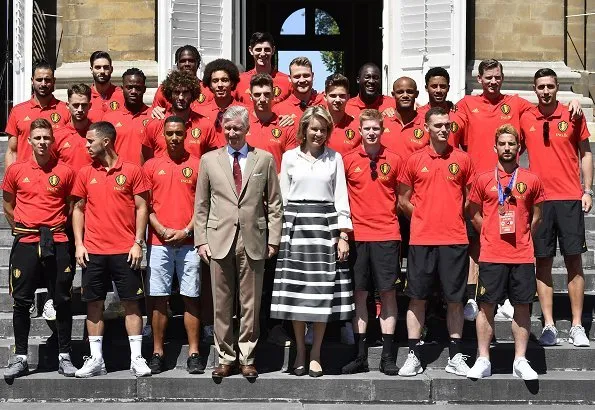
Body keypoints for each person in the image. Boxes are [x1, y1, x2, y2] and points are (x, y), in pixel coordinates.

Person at [195, 105, 282, 381]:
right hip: (218, 239)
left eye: (237, 128)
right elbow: (201, 204)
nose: (232, 133)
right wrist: (201, 241)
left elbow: (275, 204)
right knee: (222, 304)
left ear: (247, 129)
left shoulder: (264, 159)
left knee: (251, 303)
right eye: (228, 128)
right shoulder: (209, 160)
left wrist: (274, 239)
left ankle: (248, 357)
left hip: (253, 240)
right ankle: (225, 357)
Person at [270, 106, 354, 377]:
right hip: (295, 226)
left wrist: (343, 235)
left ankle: (316, 352)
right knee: (297, 292)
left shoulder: (335, 158)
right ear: (304, 130)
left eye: (323, 129)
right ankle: (300, 352)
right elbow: (280, 200)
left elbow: (341, 196)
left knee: (320, 292)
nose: (318, 133)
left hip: (325, 225)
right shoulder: (289, 157)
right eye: (313, 128)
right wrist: (279, 234)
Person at [71, 121, 151, 378]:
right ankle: (96, 360)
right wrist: (79, 244)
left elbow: (142, 208)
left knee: (132, 304)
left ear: (105, 141)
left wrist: (138, 242)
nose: (86, 145)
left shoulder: (132, 170)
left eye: (90, 141)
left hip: (125, 250)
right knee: (93, 304)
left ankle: (136, 358)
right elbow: (78, 209)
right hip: (93, 250)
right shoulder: (85, 172)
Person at [398, 107, 473, 377]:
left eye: (447, 125)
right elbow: (403, 199)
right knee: (417, 298)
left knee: (455, 300)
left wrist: (451, 216)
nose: (443, 129)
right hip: (421, 239)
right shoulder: (414, 160)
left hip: (454, 239)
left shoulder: (463, 160)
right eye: (438, 125)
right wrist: (422, 217)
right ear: (427, 128)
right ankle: (414, 355)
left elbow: (469, 199)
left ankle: (455, 355)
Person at [520, 68, 593, 347]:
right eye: (541, 86)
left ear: (558, 86)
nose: (546, 91)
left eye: (550, 86)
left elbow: (585, 153)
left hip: (570, 198)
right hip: (539, 201)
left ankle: (576, 325)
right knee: (543, 262)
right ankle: (549, 324)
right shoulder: (526, 116)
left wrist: (587, 190)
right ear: (534, 88)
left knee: (574, 261)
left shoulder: (573, 114)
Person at [467, 124, 545, 380]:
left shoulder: (531, 179)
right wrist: (489, 233)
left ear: (519, 148)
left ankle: (520, 360)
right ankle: (483, 359)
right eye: (503, 144)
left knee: (523, 307)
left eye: (512, 144)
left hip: (521, 255)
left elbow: (536, 216)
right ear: (495, 147)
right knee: (485, 306)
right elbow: (475, 213)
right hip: (491, 255)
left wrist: (521, 234)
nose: (507, 148)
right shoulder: (483, 179)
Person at [2, 119, 77, 380]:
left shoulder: (66, 171)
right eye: (38, 138)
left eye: (47, 137)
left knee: (63, 300)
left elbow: (71, 206)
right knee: (21, 302)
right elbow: (8, 204)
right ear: (29, 141)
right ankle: (21, 357)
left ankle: (65, 356)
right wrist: (22, 228)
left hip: (57, 241)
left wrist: (54, 228)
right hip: (26, 242)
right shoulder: (16, 170)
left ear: (53, 140)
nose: (43, 142)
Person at [341, 109, 403, 375]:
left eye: (376, 128)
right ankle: (360, 355)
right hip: (358, 237)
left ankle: (388, 356)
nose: (371, 132)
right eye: (367, 128)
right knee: (360, 295)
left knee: (388, 293)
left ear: (382, 129)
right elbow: (340, 199)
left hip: (387, 235)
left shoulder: (396, 159)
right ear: (360, 130)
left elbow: (402, 199)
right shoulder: (347, 160)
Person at [143, 116, 203, 374]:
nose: (175, 137)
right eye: (170, 133)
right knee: (158, 299)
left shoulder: (199, 164)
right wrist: (161, 229)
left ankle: (194, 352)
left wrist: (187, 230)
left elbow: (204, 205)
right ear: (163, 135)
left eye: (179, 133)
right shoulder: (150, 166)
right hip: (159, 242)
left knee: (191, 297)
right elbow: (144, 206)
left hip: (190, 242)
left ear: (186, 134)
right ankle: (157, 351)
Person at [418, 67, 477, 321]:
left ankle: (449, 308)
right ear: (427, 87)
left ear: (449, 87)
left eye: (443, 86)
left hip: (450, 203)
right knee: (423, 279)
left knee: (451, 276)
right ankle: (429, 314)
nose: (439, 90)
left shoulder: (459, 116)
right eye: (434, 86)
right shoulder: (417, 115)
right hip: (424, 204)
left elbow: (462, 150)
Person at [5, 60, 70, 167]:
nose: (43, 84)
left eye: (47, 80)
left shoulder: (66, 110)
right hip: (25, 177)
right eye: (39, 80)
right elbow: (12, 151)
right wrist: (9, 181)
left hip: (55, 177)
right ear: (32, 80)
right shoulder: (17, 111)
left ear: (54, 81)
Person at [142, 70, 217, 160]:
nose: (181, 97)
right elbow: (146, 161)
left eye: (185, 92)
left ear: (193, 94)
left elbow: (213, 159)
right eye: (177, 92)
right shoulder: (155, 124)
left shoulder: (205, 125)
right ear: (170, 94)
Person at [245, 73, 298, 171]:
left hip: (276, 183)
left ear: (273, 94)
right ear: (250, 96)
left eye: (266, 94)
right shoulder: (242, 124)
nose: (262, 99)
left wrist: (277, 181)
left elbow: (291, 163)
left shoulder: (286, 126)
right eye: (257, 94)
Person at [103, 68, 150, 165]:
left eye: (138, 88)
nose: (133, 91)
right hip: (117, 176)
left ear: (144, 89)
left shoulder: (154, 116)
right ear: (122, 88)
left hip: (145, 176)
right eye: (129, 87)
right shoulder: (109, 118)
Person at [151, 45, 213, 119]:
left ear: (198, 63)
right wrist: (154, 111)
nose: (187, 64)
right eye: (182, 61)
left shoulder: (208, 89)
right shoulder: (164, 89)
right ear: (177, 65)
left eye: (191, 61)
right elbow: (155, 115)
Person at [235, 32, 291, 105]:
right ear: (250, 50)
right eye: (258, 49)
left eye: (266, 49)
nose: (262, 53)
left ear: (273, 50)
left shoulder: (286, 81)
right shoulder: (240, 81)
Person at [382, 77, 429, 160]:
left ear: (416, 94)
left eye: (409, 92)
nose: (405, 95)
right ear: (393, 95)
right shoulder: (381, 122)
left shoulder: (426, 125)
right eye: (400, 92)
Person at [53, 84, 93, 172]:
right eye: (75, 105)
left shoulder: (98, 134)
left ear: (90, 106)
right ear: (67, 105)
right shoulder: (57, 136)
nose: (80, 109)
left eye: (84, 105)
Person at [325, 74, 361, 156]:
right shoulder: (316, 125)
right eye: (333, 96)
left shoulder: (357, 127)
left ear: (348, 97)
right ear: (325, 97)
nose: (337, 100)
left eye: (342, 96)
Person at [87, 51, 125, 123]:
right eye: (98, 67)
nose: (102, 71)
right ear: (91, 70)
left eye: (106, 67)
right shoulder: (85, 96)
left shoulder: (122, 94)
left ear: (111, 69)